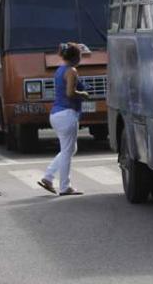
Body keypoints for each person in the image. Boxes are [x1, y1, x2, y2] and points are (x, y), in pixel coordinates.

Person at [38, 43, 90, 196]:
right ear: (75, 57)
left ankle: (48, 177)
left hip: (56, 114)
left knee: (69, 149)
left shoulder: (59, 70)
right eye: (80, 55)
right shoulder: (71, 71)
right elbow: (70, 93)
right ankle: (65, 186)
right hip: (67, 114)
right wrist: (83, 94)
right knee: (68, 151)